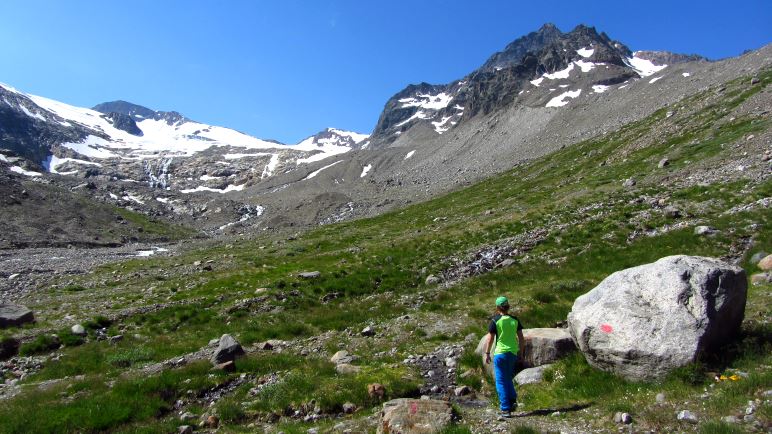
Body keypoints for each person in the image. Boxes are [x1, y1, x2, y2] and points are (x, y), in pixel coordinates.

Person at [484, 296, 524, 418]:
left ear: (497, 308)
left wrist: (486, 353)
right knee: (508, 378)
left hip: (500, 353)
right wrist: (521, 353)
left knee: (500, 381)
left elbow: (490, 338)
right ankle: (512, 401)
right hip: (512, 353)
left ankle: (505, 409)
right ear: (508, 306)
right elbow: (521, 338)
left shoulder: (495, 321)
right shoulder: (515, 320)